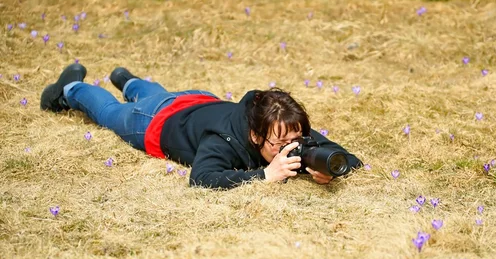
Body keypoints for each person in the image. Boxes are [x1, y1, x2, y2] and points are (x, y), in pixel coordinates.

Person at [40, 63, 363, 189]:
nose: (291, 147)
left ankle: (129, 80)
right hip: (154, 120)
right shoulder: (223, 141)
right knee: (111, 112)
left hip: (197, 99)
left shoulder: (282, 126)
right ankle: (70, 90)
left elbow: (346, 157)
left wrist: (329, 167)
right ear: (254, 134)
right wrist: (265, 174)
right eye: (280, 145)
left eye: (297, 139)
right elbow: (202, 177)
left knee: (159, 94)